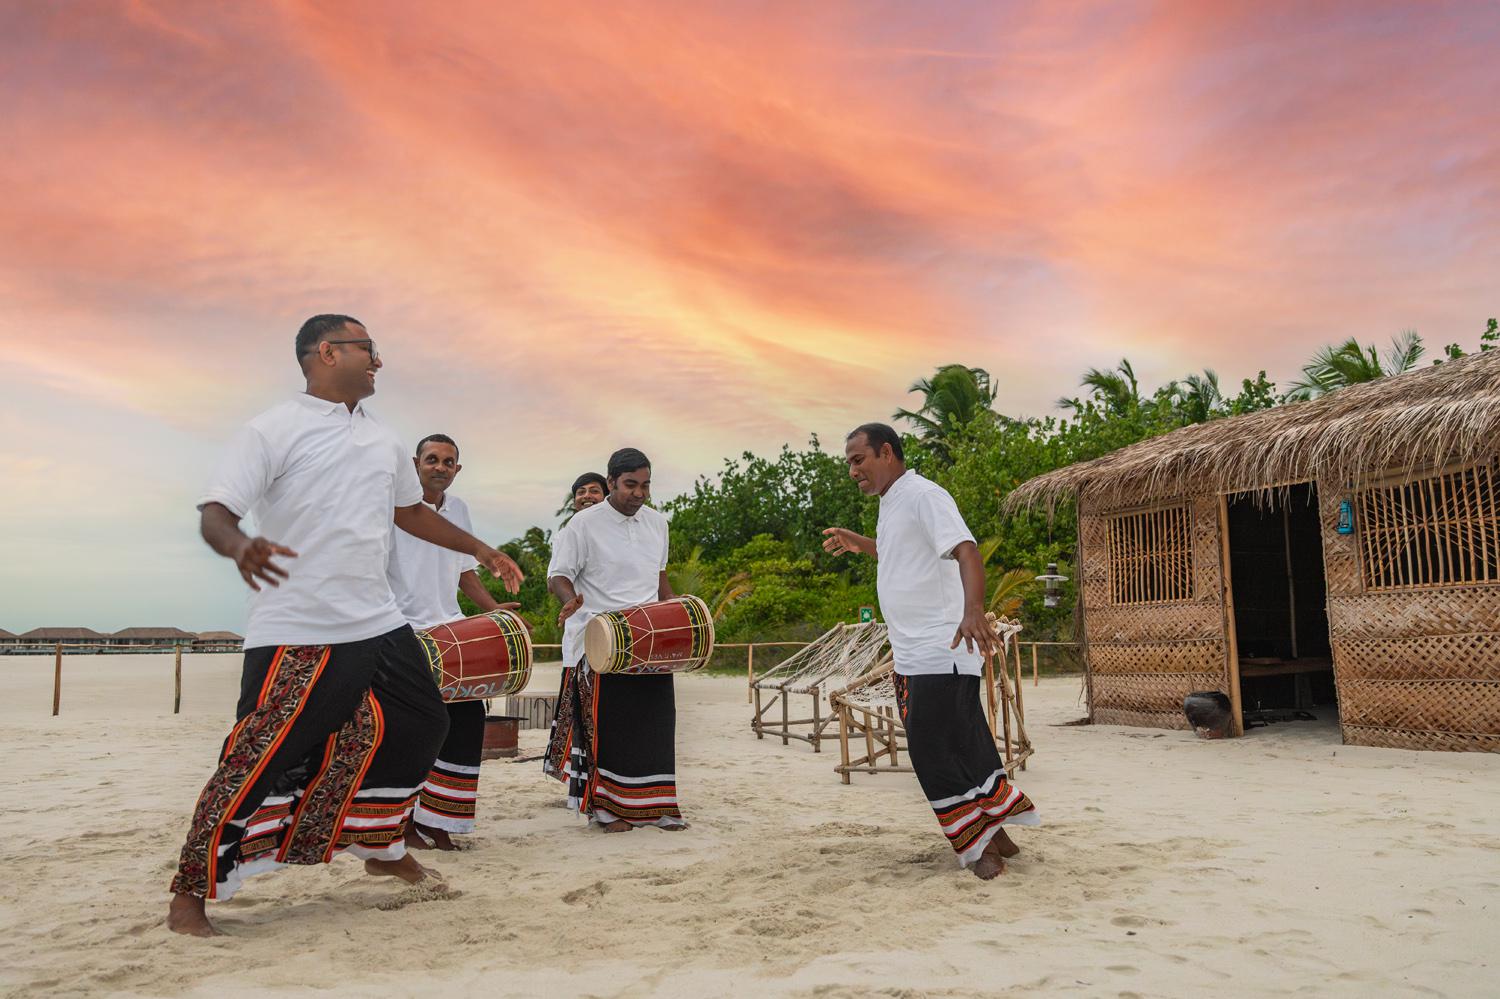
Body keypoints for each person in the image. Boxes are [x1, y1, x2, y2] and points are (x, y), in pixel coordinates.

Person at [167, 315, 524, 937]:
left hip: (378, 622)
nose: (379, 360)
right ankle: (190, 892)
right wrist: (239, 546)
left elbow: (410, 514)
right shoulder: (272, 430)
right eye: (368, 349)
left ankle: (378, 846)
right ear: (327, 352)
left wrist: (482, 551)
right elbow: (216, 512)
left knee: (422, 721)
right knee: (260, 753)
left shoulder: (385, 441)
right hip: (297, 622)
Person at [822, 422, 1038, 879]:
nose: (852, 471)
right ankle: (998, 835)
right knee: (963, 743)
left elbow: (966, 551)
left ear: (886, 452)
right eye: (849, 464)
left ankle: (980, 849)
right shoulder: (892, 502)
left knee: (932, 752)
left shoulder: (923, 494)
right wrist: (859, 544)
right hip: (919, 652)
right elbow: (901, 554)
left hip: (940, 647)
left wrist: (974, 611)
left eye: (858, 460)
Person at [387, 433, 516, 850]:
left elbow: (465, 571)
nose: (439, 467)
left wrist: (494, 609)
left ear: (457, 470)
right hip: (405, 629)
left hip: (451, 628)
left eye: (448, 462)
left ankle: (441, 821)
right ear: (415, 463)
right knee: (416, 728)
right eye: (432, 459)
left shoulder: (459, 509)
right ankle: (404, 823)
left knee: (467, 722)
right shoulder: (394, 508)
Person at [546, 449, 686, 831]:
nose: (638, 493)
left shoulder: (658, 524)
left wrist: (679, 615)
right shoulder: (583, 524)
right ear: (611, 483)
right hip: (601, 640)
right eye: (630, 485)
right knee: (611, 728)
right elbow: (558, 574)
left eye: (645, 485)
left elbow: (659, 580)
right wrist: (569, 600)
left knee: (656, 724)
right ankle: (607, 811)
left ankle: (657, 808)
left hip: (649, 638)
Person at [543, 471, 609, 807]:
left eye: (594, 491)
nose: (586, 496)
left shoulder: (615, 532)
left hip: (619, 640)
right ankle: (584, 792)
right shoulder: (568, 532)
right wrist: (570, 600)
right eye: (580, 492)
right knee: (586, 720)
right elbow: (556, 577)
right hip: (583, 637)